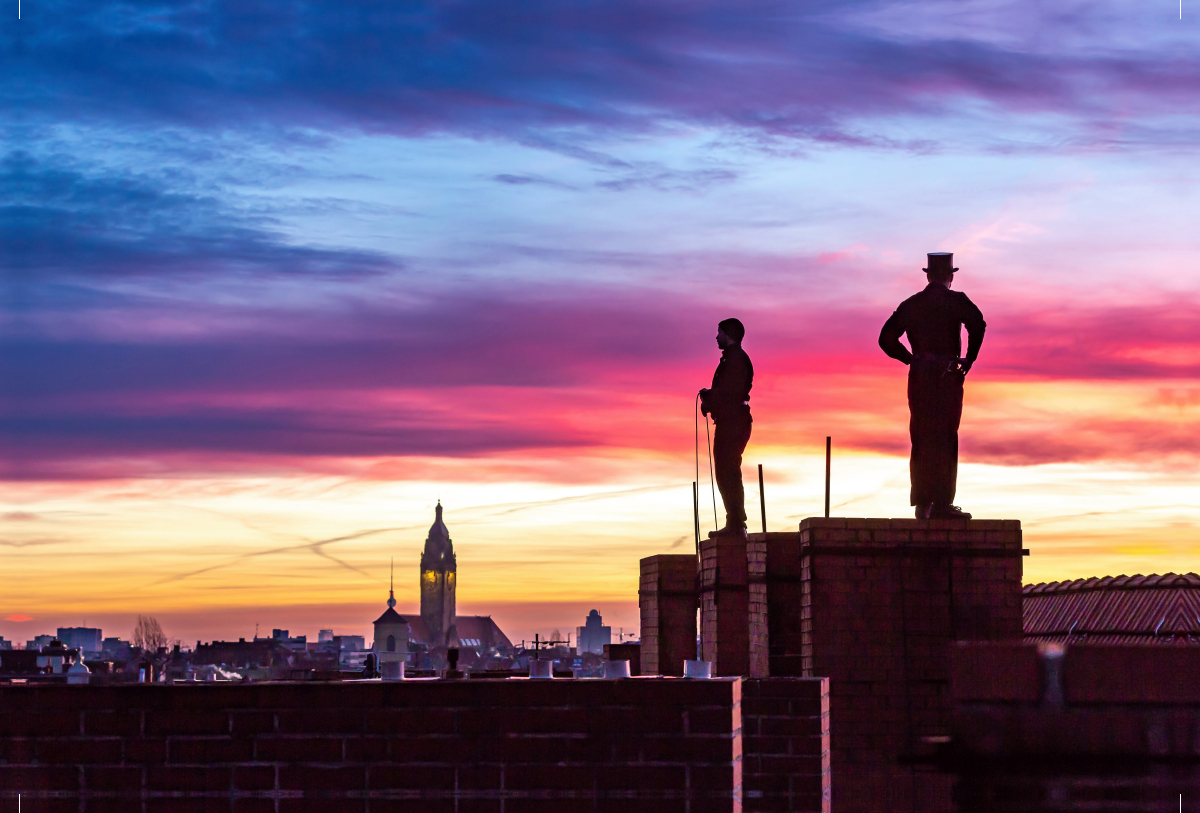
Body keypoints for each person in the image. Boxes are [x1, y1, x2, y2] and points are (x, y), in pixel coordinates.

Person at [879, 252, 986, 520]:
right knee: (946, 437)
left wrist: (911, 360)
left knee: (922, 436)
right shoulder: (956, 301)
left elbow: (886, 338)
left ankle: (923, 503)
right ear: (950, 276)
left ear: (928, 275)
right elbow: (978, 325)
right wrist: (969, 359)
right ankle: (941, 504)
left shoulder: (912, 304)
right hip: (947, 377)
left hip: (920, 379)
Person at [699, 318, 754, 537]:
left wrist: (709, 396)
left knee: (728, 471)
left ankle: (736, 524)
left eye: (719, 332)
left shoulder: (736, 361)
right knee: (725, 471)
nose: (716, 337)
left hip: (733, 423)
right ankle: (734, 521)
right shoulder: (732, 359)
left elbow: (730, 393)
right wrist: (709, 402)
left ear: (728, 334)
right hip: (730, 421)